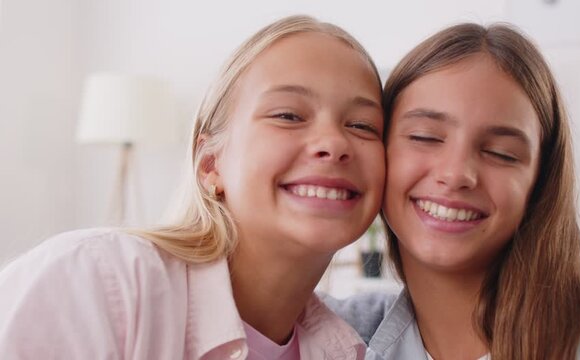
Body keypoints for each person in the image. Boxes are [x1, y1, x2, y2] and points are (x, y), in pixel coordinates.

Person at [0, 15, 385, 359]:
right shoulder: (94, 281)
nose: (334, 144)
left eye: (363, 126)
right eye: (288, 115)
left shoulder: (349, 350)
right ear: (210, 164)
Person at [327, 23, 580, 359]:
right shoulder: (339, 340)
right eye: (425, 137)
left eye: (501, 153)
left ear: (539, 182)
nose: (456, 174)